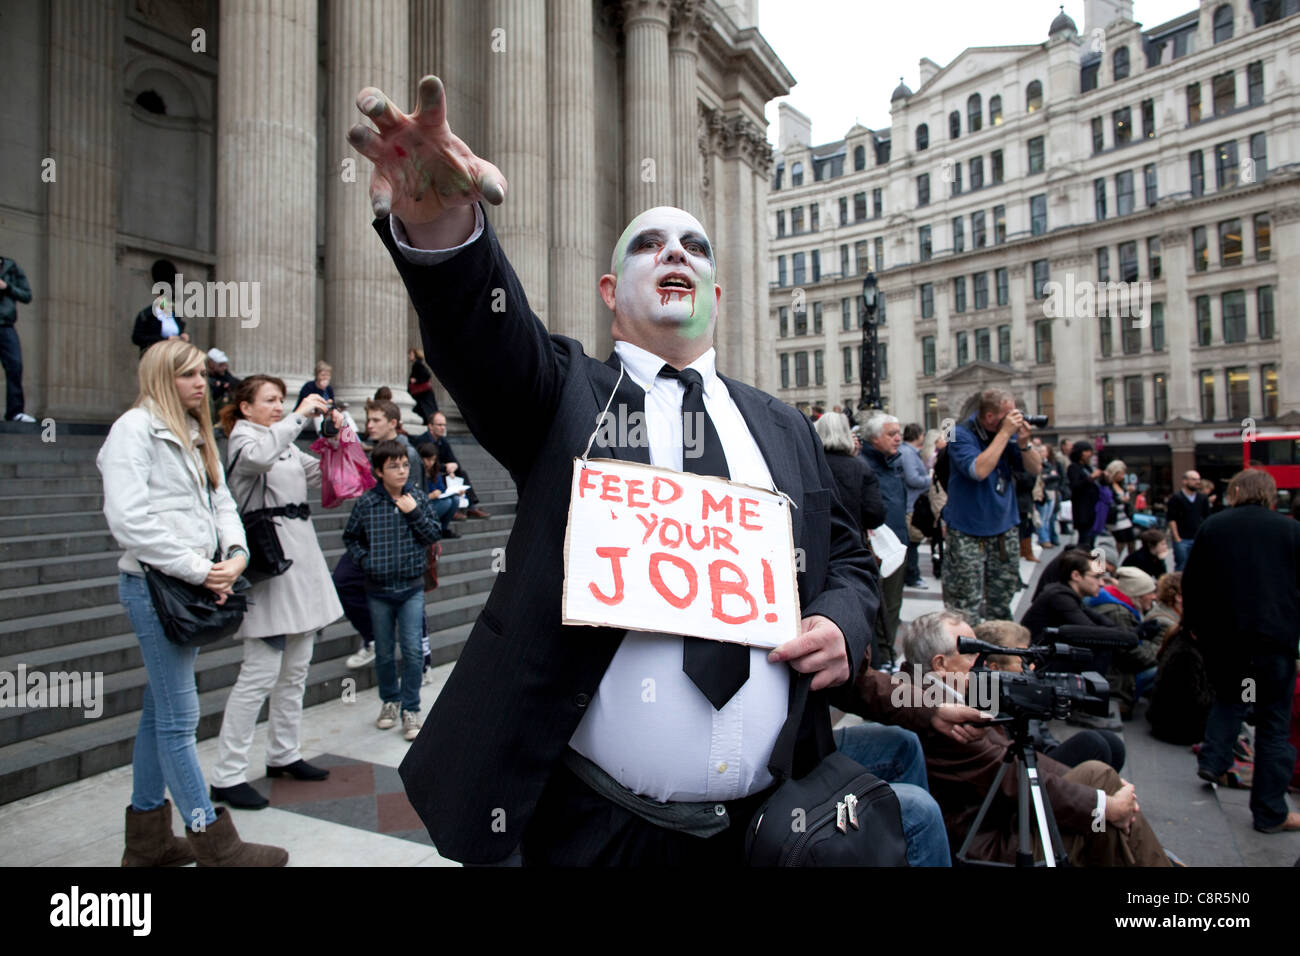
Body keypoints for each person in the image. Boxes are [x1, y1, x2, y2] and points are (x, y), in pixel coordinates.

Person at [349, 74, 879, 865]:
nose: (675, 253)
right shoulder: (562, 393)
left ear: (715, 291)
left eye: (694, 247)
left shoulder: (782, 426)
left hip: (770, 827)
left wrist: (842, 621)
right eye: (649, 244)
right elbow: (484, 339)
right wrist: (443, 229)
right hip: (596, 830)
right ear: (610, 291)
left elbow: (849, 560)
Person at [97, 338, 287, 867]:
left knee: (159, 713)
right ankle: (215, 844)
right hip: (156, 588)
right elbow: (130, 522)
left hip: (191, 585)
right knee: (180, 719)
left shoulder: (194, 427)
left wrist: (235, 553)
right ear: (161, 376)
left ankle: (148, 843)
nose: (201, 382)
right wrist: (203, 570)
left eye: (202, 373)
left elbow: (220, 498)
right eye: (186, 374)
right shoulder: (133, 430)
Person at [901, 611, 1171, 867]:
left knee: (1099, 787)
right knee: (1100, 796)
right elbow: (1010, 773)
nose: (980, 661)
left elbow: (1016, 758)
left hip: (998, 823)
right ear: (941, 664)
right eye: (972, 653)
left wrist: (1102, 801)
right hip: (986, 847)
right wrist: (1105, 805)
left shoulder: (934, 695)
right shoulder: (938, 713)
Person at [208, 376, 346, 809]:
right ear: (245, 407)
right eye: (269, 400)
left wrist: (337, 435)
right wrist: (299, 416)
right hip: (269, 565)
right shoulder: (245, 439)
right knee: (259, 674)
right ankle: (227, 773)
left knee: (296, 668)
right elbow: (258, 459)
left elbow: (321, 472)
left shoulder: (281, 440)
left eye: (280, 400)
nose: (277, 406)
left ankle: (284, 752)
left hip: (300, 561)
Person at [1183, 469, 1300, 832]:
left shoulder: (1214, 526)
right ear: (1271, 495)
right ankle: (1269, 813)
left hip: (1227, 640)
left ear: (1234, 491)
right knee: (1273, 726)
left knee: (1230, 698)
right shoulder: (1291, 530)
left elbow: (1193, 582)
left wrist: (1196, 629)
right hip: (1275, 642)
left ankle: (1215, 758)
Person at [343, 440, 442, 742]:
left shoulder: (418, 498)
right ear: (378, 471)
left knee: (412, 650)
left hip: (411, 588)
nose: (401, 471)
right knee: (384, 652)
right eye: (393, 466)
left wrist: (414, 513)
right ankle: (390, 701)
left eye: (404, 465)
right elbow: (351, 537)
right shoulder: (367, 503)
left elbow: (434, 534)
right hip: (378, 589)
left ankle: (411, 708)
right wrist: (366, 561)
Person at [941, 388, 1041, 626]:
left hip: (1003, 529)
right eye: (1009, 414)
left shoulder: (1009, 434)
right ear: (989, 417)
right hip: (966, 529)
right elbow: (978, 471)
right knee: (964, 605)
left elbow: (1035, 469)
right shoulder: (958, 433)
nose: (1014, 418)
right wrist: (1005, 434)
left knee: (1001, 600)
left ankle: (999, 652)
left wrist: (1025, 444)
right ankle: (966, 655)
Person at [974, 619, 1125, 772]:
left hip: (1039, 760)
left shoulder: (1023, 690)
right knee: (1092, 743)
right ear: (995, 668)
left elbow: (1045, 740)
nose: (1032, 667)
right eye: (1023, 662)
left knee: (1112, 742)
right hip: (1018, 771)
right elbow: (1005, 755)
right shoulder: (984, 698)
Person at [861, 412, 908, 665]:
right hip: (878, 545)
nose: (898, 438)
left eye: (899, 433)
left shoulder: (895, 462)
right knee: (882, 605)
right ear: (874, 438)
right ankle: (883, 655)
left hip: (897, 542)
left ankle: (887, 650)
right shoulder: (865, 465)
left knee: (893, 604)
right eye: (891, 434)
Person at [1085, 566, 1160, 718]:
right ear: (1137, 594)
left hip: (1110, 671)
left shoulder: (1116, 605)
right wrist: (1158, 650)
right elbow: (1131, 654)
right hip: (1115, 679)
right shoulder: (1118, 613)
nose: (1154, 597)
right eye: (1150, 593)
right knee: (1162, 669)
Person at [814, 411, 884, 536]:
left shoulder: (810, 464)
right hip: (851, 540)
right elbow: (875, 513)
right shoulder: (860, 467)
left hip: (817, 539)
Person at [426, 411, 490, 519]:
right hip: (431, 473)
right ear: (430, 426)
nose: (443, 428)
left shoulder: (443, 442)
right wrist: (445, 467)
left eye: (444, 425)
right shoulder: (423, 440)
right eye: (439, 425)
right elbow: (425, 462)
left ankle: (472, 506)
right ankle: (453, 509)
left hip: (444, 471)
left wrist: (453, 467)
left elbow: (454, 461)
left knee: (462, 472)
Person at [0, 254, 35, 422]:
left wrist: (6, 287)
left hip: (5, 325)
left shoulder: (10, 267)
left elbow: (27, 295)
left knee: (15, 366)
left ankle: (15, 412)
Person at [131, 260, 189, 355]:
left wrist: (183, 336)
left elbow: (179, 333)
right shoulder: (146, 315)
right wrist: (165, 339)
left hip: (172, 356)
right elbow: (137, 338)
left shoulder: (175, 316)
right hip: (154, 356)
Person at [899, 423, 932, 589]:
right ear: (918, 435)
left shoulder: (910, 452)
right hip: (911, 504)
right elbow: (913, 478)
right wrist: (930, 479)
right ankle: (912, 575)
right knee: (912, 541)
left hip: (913, 503)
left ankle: (912, 573)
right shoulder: (907, 453)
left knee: (913, 541)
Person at [364, 399, 422, 487]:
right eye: (369, 420)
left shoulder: (408, 453)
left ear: (393, 423)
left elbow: (414, 491)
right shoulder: (368, 449)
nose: (369, 425)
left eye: (376, 420)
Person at [1165, 470, 1211, 572]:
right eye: (1194, 479)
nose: (1197, 482)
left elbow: (1207, 518)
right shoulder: (1176, 498)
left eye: (1198, 479)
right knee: (1181, 567)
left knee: (1198, 566)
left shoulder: (1202, 498)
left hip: (1197, 538)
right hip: (1182, 539)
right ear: (1185, 481)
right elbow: (1172, 519)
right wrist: (1177, 538)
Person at [418, 442, 460, 538]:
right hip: (424, 505)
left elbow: (442, 489)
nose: (431, 463)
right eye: (428, 460)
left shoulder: (435, 470)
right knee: (447, 502)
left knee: (455, 499)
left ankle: (443, 528)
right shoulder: (418, 471)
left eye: (433, 460)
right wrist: (430, 496)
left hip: (436, 501)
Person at [1066, 440, 1102, 551]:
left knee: (1091, 539)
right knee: (1084, 538)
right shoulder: (1073, 467)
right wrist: (1091, 478)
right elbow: (1075, 485)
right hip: (1082, 508)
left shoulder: (1088, 467)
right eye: (1086, 451)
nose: (1089, 454)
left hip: (1093, 507)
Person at [1103, 460, 1136, 557]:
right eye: (1121, 474)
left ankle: (1132, 563)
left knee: (1132, 540)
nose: (1122, 476)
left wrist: (1127, 492)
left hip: (1124, 516)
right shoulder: (1107, 485)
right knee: (1121, 542)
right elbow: (1109, 499)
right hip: (1115, 517)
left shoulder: (1121, 484)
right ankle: (1113, 562)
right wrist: (1121, 499)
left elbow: (1124, 499)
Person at [1035, 441, 1062, 549]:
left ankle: (1047, 537)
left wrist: (1048, 476)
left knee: (1048, 517)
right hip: (1042, 492)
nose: (1042, 453)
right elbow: (1042, 476)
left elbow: (1056, 476)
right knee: (1042, 518)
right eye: (1040, 451)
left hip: (1051, 491)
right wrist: (1048, 476)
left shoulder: (1050, 463)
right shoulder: (1038, 463)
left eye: (1043, 451)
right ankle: (1044, 539)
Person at [205, 348, 241, 422]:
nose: (224, 367)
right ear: (211, 364)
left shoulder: (224, 374)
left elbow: (234, 382)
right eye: (221, 365)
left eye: (225, 365)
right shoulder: (206, 376)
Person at [408, 347, 439, 423]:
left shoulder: (417, 364)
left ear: (415, 355)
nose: (409, 356)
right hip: (422, 393)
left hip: (421, 393)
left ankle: (432, 422)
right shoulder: (417, 364)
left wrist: (416, 380)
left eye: (410, 354)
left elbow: (427, 375)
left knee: (425, 409)